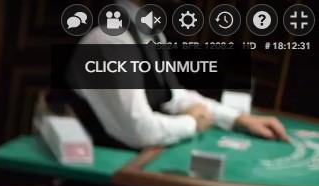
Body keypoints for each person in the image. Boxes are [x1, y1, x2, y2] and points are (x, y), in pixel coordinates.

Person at [66, 0, 287, 148]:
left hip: (139, 169)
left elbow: (173, 96)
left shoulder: (151, 33)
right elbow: (138, 131)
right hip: (106, 183)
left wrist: (240, 119)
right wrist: (192, 122)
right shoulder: (110, 39)